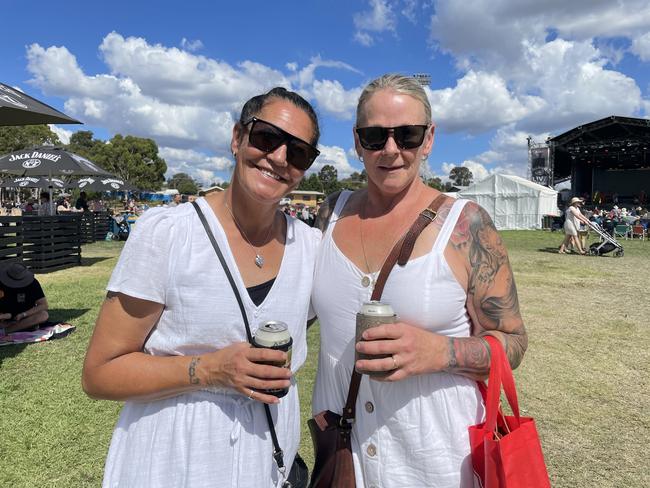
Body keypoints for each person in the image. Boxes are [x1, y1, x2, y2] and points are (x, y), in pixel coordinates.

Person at [82, 86, 322, 487]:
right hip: (173, 463)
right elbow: (100, 373)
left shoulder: (311, 248)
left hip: (268, 465)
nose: (279, 157)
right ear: (236, 138)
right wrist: (209, 369)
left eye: (298, 153)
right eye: (267, 137)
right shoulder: (168, 233)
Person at [310, 74, 527, 487]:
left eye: (407, 135)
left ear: (428, 140)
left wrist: (437, 351)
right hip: (345, 461)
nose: (391, 150)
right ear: (357, 142)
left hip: (437, 464)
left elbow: (512, 342)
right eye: (375, 137)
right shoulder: (329, 214)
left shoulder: (466, 224)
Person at [0, 262, 49, 336]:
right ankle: (23, 327)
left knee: (43, 315)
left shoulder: (33, 283)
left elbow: (43, 305)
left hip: (24, 318)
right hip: (3, 318)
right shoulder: (1, 283)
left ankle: (7, 330)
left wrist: (23, 314)